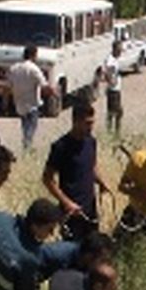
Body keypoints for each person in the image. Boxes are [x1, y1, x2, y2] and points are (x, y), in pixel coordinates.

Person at [44, 100, 110, 242]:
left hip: (90, 210)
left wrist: (101, 182)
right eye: (87, 123)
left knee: (92, 249)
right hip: (71, 213)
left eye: (92, 122)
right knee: (73, 253)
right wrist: (67, 203)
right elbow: (47, 179)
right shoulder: (60, 147)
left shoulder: (91, 142)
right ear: (75, 121)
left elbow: (91, 166)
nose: (91, 127)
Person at [8, 45, 49, 151]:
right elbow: (43, 85)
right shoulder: (34, 69)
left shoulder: (14, 68)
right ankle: (27, 144)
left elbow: (8, 85)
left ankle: (27, 143)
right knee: (32, 126)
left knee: (25, 125)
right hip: (32, 103)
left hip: (19, 103)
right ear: (33, 55)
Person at [101, 40, 125, 136]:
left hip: (116, 89)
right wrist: (111, 82)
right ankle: (114, 132)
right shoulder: (110, 60)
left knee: (113, 112)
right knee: (117, 112)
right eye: (119, 50)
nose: (120, 52)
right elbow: (108, 73)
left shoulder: (115, 60)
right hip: (113, 90)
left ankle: (112, 131)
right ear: (114, 49)